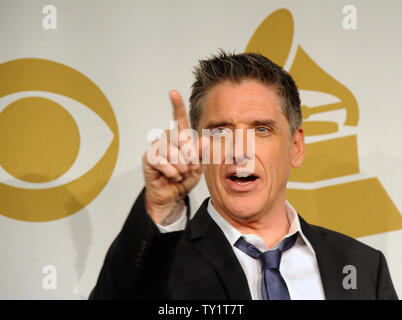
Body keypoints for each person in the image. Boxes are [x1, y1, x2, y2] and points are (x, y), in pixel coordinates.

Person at [89, 51, 398, 300]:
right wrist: (160, 208)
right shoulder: (161, 265)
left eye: (261, 129)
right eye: (220, 131)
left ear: (296, 146)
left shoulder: (362, 267)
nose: (240, 151)